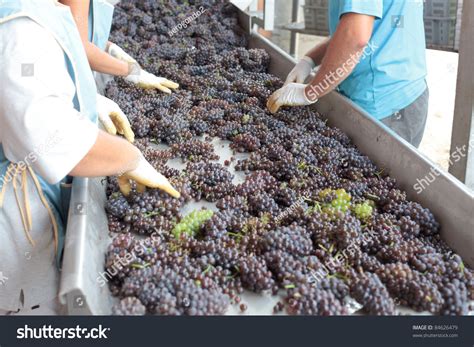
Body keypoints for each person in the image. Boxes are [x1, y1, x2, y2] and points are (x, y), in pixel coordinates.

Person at [0, 0, 179, 315]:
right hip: (15, 213)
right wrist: (130, 158)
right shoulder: (21, 29)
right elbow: (57, 142)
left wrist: (84, 97)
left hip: (32, 186)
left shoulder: (35, 11)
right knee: (25, 303)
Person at [267, 0, 429, 148]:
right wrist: (309, 60)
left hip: (385, 105)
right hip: (407, 91)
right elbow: (357, 29)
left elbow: (355, 37)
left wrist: (309, 92)